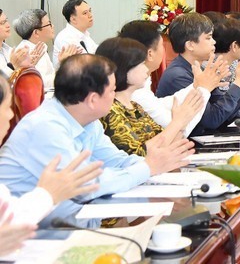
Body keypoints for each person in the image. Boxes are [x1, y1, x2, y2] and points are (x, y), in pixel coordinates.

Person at [0, 54, 192, 225]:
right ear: (92, 100)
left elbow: (116, 160)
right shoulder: (45, 127)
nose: (114, 97)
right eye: (111, 92)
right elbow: (85, 186)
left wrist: (156, 164)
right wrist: (147, 168)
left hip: (73, 223)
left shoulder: (87, 120)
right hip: (32, 235)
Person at [0, 75, 103, 229]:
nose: (11, 115)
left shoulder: (91, 123)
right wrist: (48, 195)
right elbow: (9, 228)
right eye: (8, 107)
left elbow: (8, 218)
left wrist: (48, 195)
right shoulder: (43, 124)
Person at [96, 38, 204, 156]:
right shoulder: (110, 110)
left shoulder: (136, 107)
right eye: (141, 64)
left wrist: (182, 122)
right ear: (124, 67)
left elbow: (168, 143)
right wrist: (178, 122)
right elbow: (139, 155)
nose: (146, 69)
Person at [156, 13, 240, 134]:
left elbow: (227, 114)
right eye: (209, 38)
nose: (214, 42)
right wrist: (239, 82)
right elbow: (211, 120)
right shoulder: (178, 75)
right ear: (190, 45)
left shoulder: (200, 69)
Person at [120, 20, 214, 136]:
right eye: (161, 46)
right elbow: (178, 131)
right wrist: (204, 90)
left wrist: (197, 86)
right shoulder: (136, 91)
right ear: (150, 54)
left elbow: (160, 104)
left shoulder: (138, 82)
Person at [12, 9, 80, 92]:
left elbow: (50, 75)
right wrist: (64, 67)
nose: (53, 26)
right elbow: (42, 82)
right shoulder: (25, 53)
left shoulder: (40, 46)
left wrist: (61, 62)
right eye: (49, 24)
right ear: (36, 33)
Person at [53, 0, 98, 68]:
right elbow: (85, 64)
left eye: (90, 11)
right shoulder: (65, 38)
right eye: (85, 13)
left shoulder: (84, 34)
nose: (90, 15)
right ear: (73, 19)